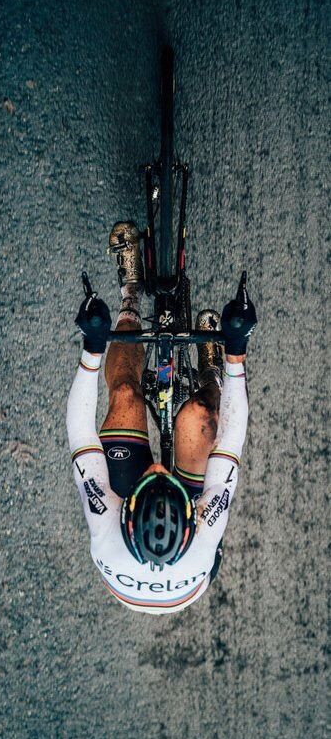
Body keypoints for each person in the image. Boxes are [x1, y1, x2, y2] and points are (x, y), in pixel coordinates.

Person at [66, 222, 257, 614]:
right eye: (161, 473)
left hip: (134, 560)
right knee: (202, 417)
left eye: (149, 474)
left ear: (127, 510)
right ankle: (211, 377)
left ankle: (130, 296)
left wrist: (92, 347)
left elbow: (79, 433)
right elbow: (232, 439)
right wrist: (236, 351)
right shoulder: (206, 529)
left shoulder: (106, 525)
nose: (156, 463)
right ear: (193, 510)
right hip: (187, 564)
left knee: (123, 395)